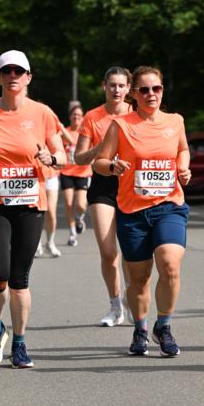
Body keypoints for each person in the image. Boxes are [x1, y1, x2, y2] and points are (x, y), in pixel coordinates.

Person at [0, 50, 66, 368]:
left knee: (20, 278)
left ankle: (19, 343)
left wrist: (52, 159)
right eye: (6, 71)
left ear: (28, 78)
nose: (13, 76)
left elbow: (62, 154)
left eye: (19, 71)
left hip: (30, 204)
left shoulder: (42, 113)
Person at [94, 65, 191, 357]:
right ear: (134, 94)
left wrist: (184, 167)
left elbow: (183, 149)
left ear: (162, 91)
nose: (151, 94)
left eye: (157, 89)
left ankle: (163, 326)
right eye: (145, 89)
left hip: (169, 206)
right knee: (139, 279)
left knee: (170, 264)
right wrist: (112, 167)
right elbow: (100, 161)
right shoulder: (121, 125)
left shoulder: (175, 121)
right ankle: (140, 328)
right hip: (133, 211)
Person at [74, 67, 133, 326]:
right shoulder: (92, 117)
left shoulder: (138, 114)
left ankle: (134, 300)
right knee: (109, 252)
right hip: (102, 186)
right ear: (104, 86)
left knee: (133, 252)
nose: (116, 90)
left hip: (133, 186)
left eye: (121, 85)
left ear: (129, 88)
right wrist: (101, 148)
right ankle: (115, 305)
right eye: (112, 85)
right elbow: (78, 157)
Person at [59, 104, 92, 246]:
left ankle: (79, 218)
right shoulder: (64, 133)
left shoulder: (86, 133)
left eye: (79, 115)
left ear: (83, 117)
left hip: (83, 173)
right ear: (70, 117)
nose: (76, 117)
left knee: (80, 204)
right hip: (66, 172)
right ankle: (72, 233)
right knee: (68, 203)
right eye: (74, 115)